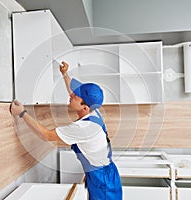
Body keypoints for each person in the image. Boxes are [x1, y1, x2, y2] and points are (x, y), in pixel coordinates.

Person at [10, 61, 122, 200]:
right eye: (75, 93)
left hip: (103, 183)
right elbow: (72, 90)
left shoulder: (83, 128)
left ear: (85, 108)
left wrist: (21, 113)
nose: (71, 95)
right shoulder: (93, 109)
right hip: (103, 174)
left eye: (75, 96)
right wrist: (64, 73)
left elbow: (46, 135)